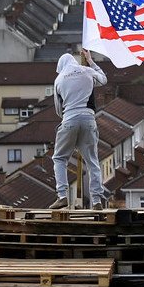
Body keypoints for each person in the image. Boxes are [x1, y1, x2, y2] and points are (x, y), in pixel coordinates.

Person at [49, 50, 107, 210]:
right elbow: (103, 79)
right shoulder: (87, 71)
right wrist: (90, 61)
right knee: (92, 161)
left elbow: (58, 109)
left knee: (60, 158)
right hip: (89, 120)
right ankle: (96, 201)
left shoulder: (59, 80)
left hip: (69, 120)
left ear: (61, 66)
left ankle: (62, 196)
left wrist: (68, 118)